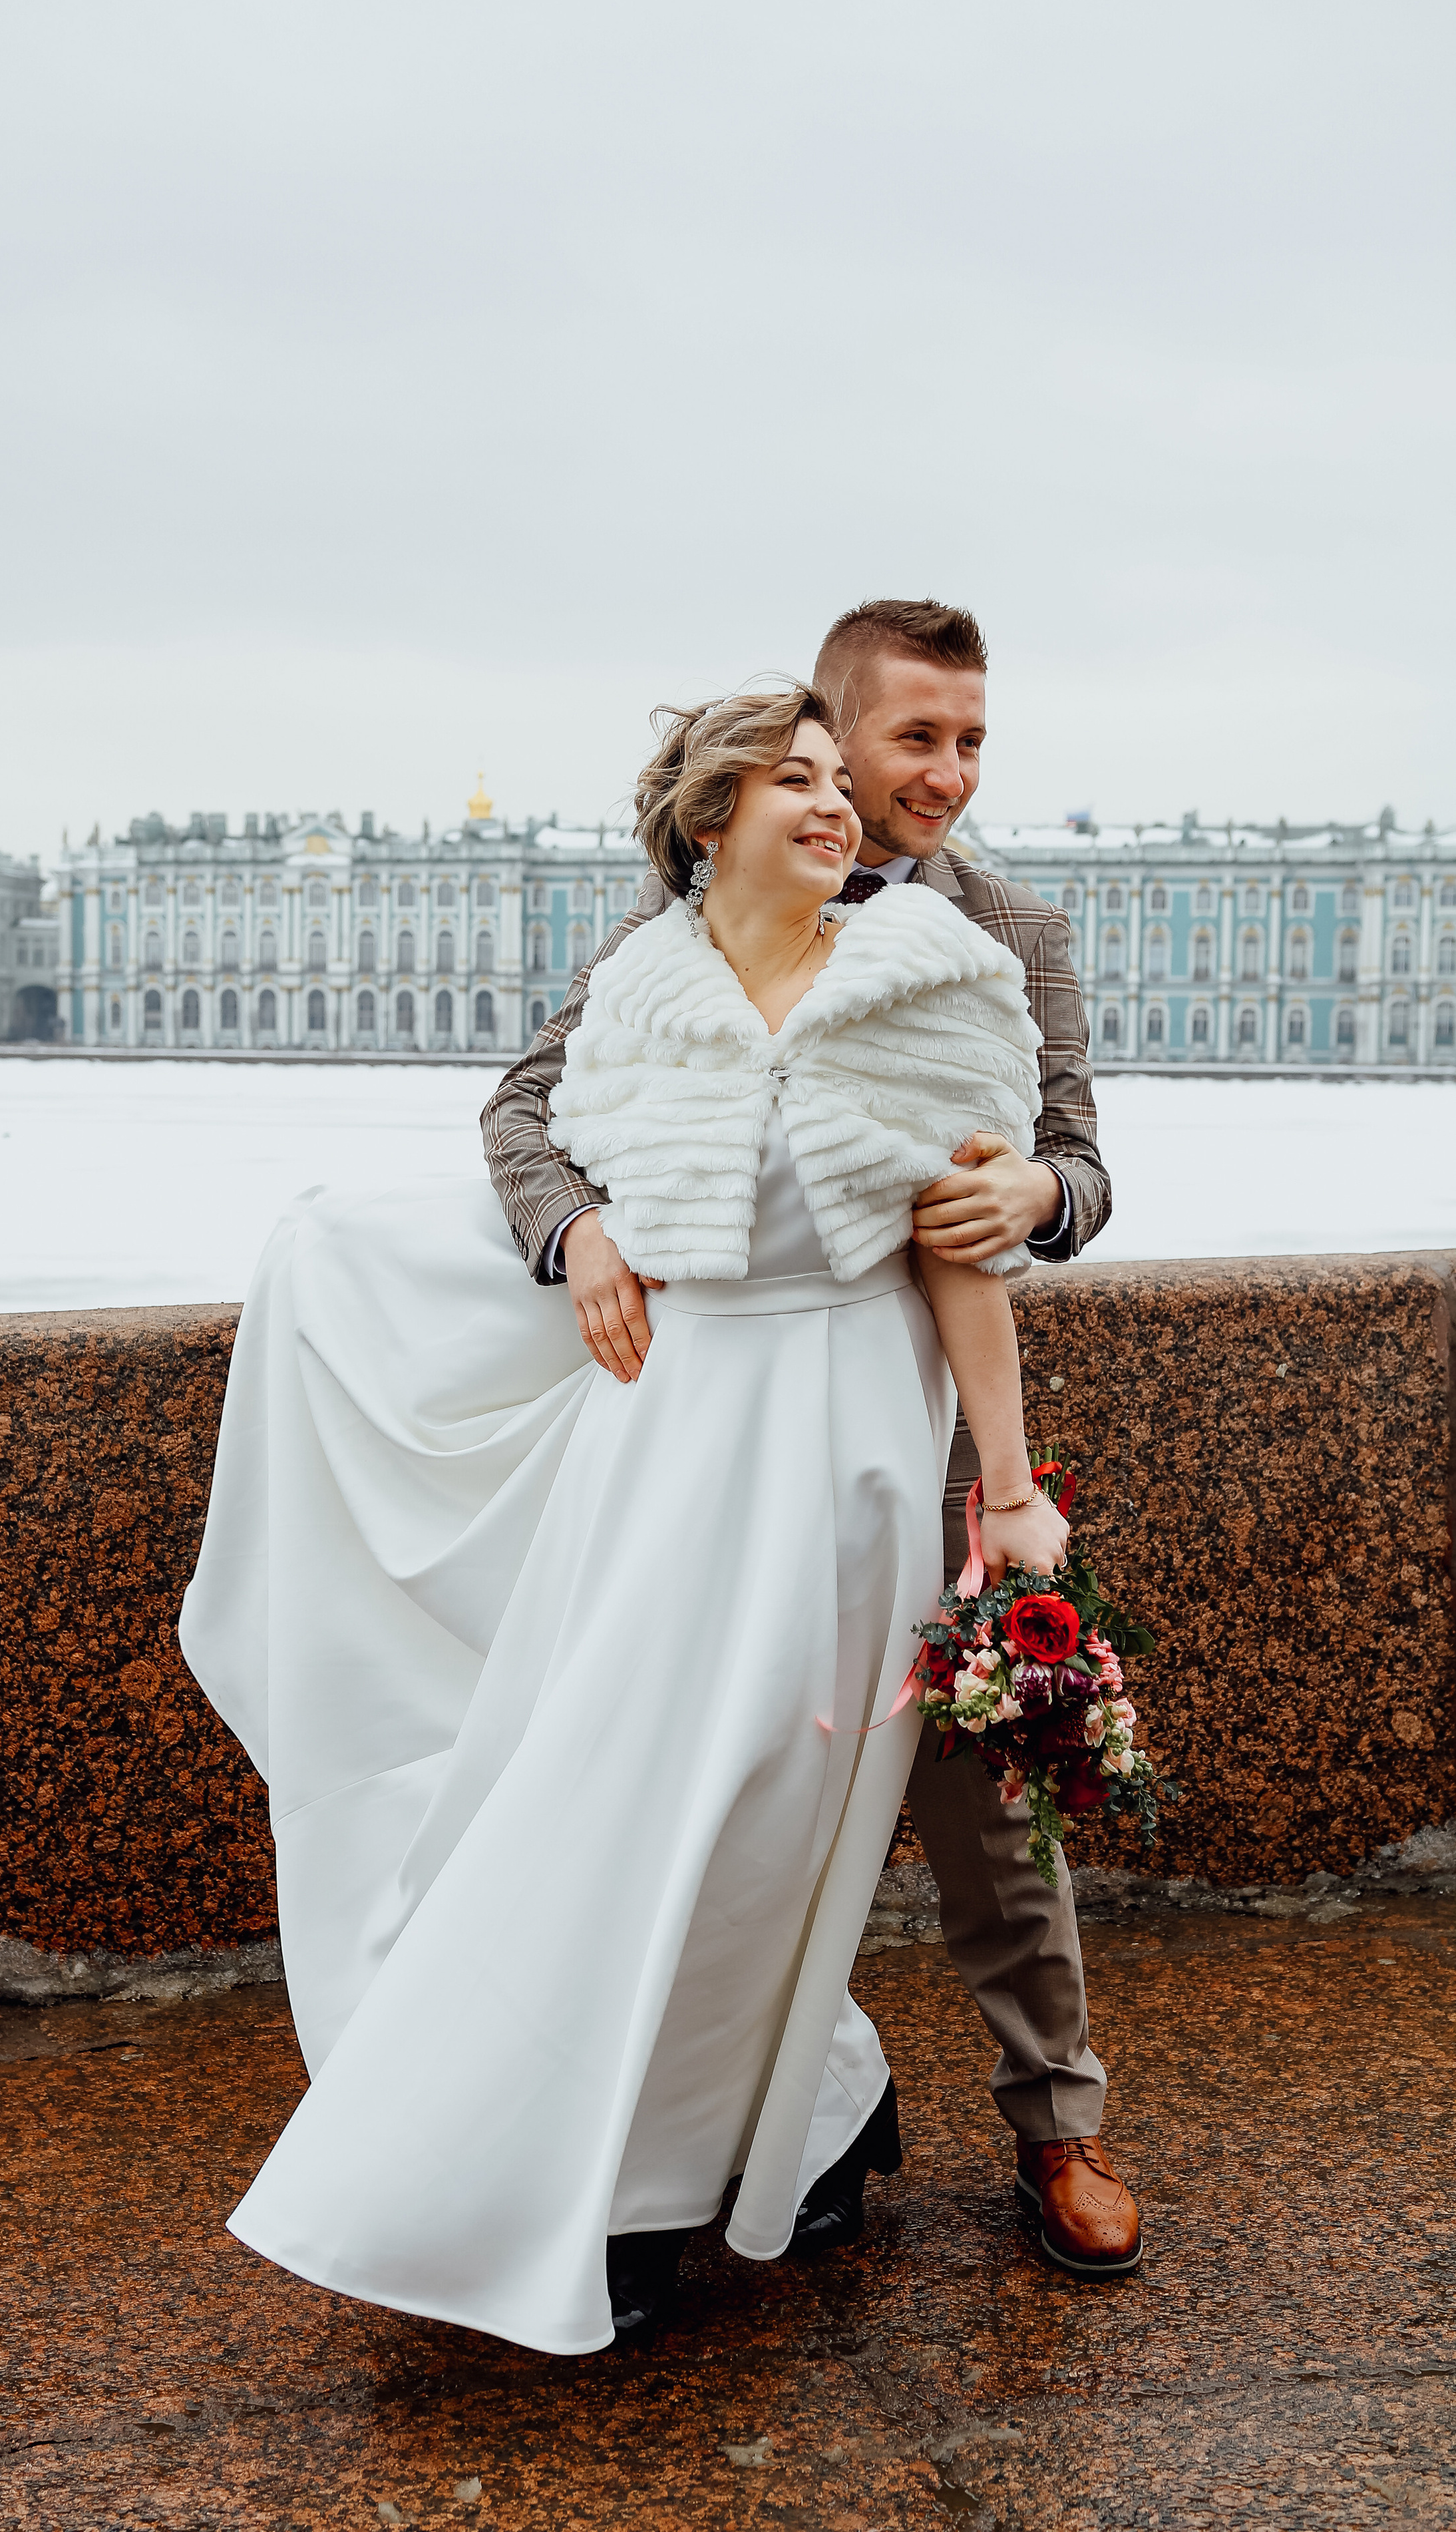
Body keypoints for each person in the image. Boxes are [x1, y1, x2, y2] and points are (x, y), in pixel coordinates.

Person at [181, 679, 1074, 2356]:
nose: (834, 804)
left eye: (838, 777)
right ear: (706, 820)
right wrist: (575, 1232)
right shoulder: (640, 988)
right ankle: (736, 2143)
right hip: (656, 1446)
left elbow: (966, 1255)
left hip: (841, 1459)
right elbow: (536, 1143)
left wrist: (1010, 1491)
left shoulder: (930, 979)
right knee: (609, 1810)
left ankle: (692, 2171)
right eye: (793, 780)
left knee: (750, 1838)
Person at [482, 599, 1142, 2282]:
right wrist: (578, 1233)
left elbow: (1077, 1160)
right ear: (829, 739)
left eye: (971, 740)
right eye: (913, 737)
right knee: (733, 1812)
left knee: (990, 1818)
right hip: (718, 1449)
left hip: (920, 1437)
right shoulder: (699, 910)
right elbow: (530, 1106)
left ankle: (1056, 2127)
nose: (948, 773)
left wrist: (1037, 1192)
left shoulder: (1006, 927)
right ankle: (793, 2113)